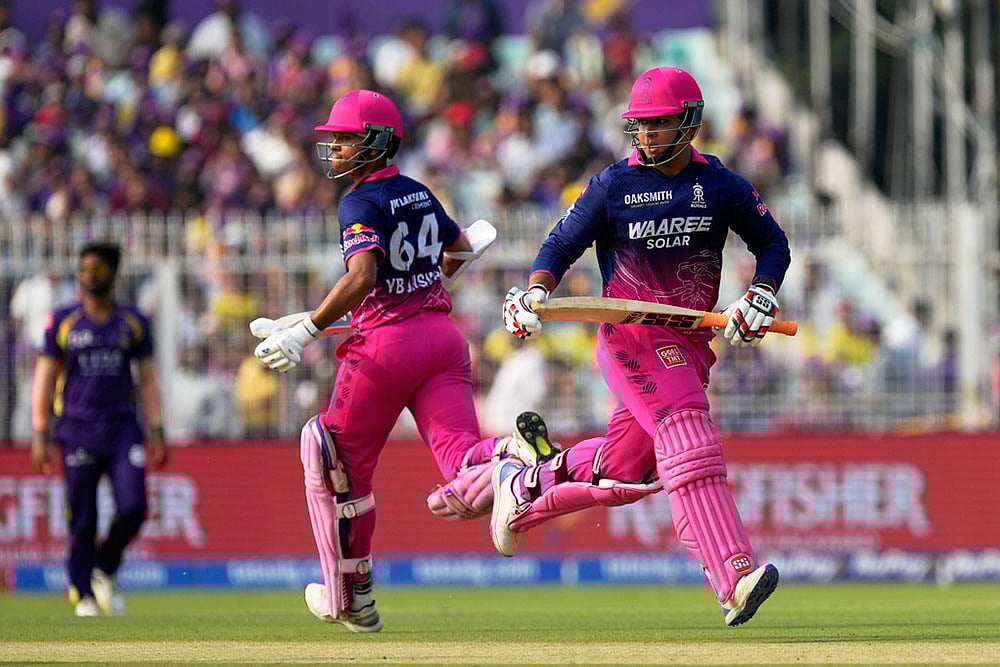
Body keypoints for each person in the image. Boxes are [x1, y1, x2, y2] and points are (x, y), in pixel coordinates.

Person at [251, 89, 558, 633]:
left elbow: (365, 276)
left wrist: (307, 328)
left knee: (331, 458)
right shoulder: (417, 192)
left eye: (347, 138)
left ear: (378, 141)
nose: (337, 148)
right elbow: (460, 250)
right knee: (464, 459)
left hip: (386, 349)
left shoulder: (359, 202)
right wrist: (397, 292)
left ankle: (352, 596)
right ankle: (512, 455)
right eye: (336, 139)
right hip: (441, 338)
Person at [494, 66, 791, 627]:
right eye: (641, 126)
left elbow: (773, 243)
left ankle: (527, 484)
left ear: (690, 122)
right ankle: (732, 575)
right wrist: (535, 290)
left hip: (689, 340)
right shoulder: (612, 184)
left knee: (627, 473)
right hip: (631, 335)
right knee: (687, 431)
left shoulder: (721, 185)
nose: (647, 137)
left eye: (659, 126)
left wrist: (760, 295)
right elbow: (560, 243)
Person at [30, 241, 169, 617]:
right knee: (83, 515)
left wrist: (157, 430)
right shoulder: (63, 320)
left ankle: (103, 569)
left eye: (98, 270)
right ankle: (82, 592)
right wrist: (40, 433)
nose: (90, 277)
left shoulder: (134, 321)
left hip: (123, 427)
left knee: (135, 508)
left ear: (113, 274)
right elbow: (44, 377)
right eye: (85, 269)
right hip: (76, 428)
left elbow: (149, 380)